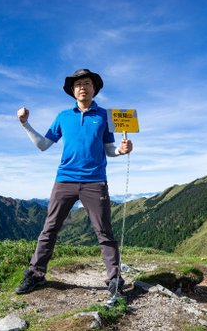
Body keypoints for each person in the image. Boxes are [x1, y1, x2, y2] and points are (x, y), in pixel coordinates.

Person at [14, 68, 133, 295]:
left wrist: (122, 150)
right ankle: (35, 275)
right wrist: (25, 124)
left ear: (94, 88)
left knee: (104, 231)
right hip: (64, 180)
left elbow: (110, 150)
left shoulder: (104, 116)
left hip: (95, 181)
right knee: (50, 228)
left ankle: (114, 278)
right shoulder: (63, 116)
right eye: (78, 84)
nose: (82, 87)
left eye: (87, 83)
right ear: (72, 90)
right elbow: (43, 145)